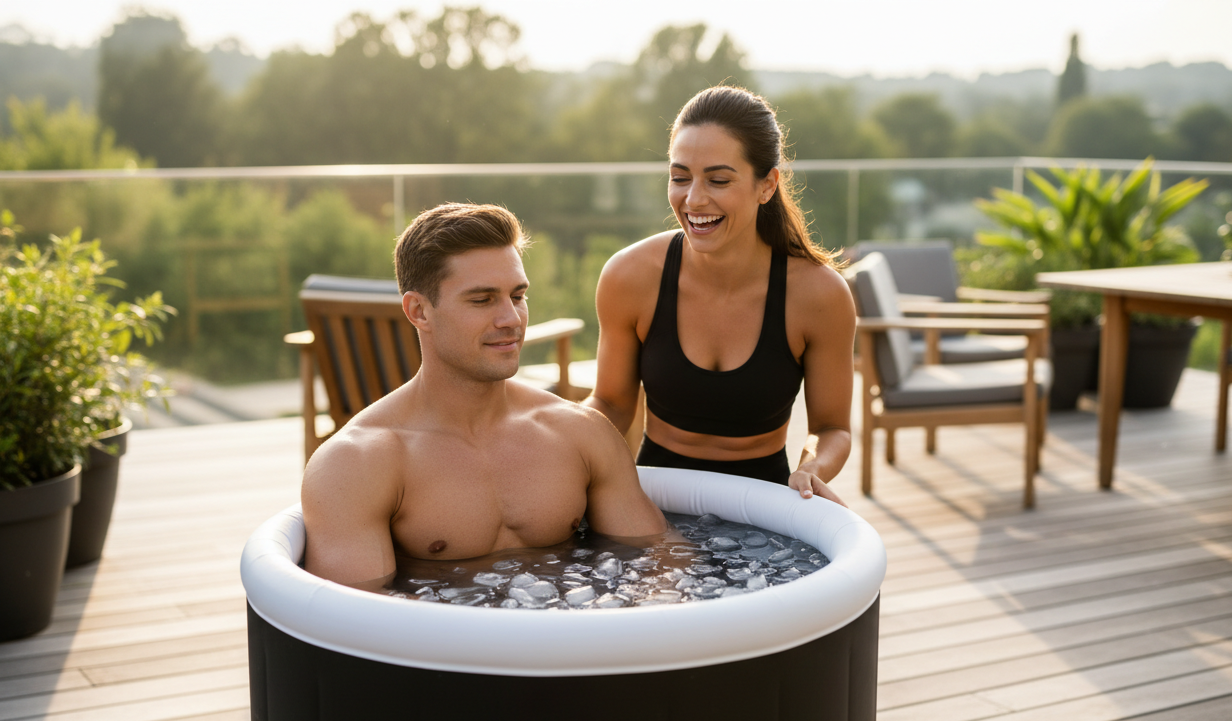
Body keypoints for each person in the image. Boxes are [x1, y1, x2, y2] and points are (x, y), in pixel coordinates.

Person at [301, 202, 668, 589]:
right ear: (419, 311)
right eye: (482, 300)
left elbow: (662, 568)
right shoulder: (357, 465)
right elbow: (361, 622)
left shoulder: (578, 433)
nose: (511, 319)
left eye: (518, 296)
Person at [585, 86, 856, 505]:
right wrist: (558, 444)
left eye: (718, 180)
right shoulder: (630, 275)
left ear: (766, 185)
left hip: (764, 497)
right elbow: (611, 403)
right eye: (679, 178)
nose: (693, 199)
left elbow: (832, 427)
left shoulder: (819, 295)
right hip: (654, 493)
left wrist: (811, 468)